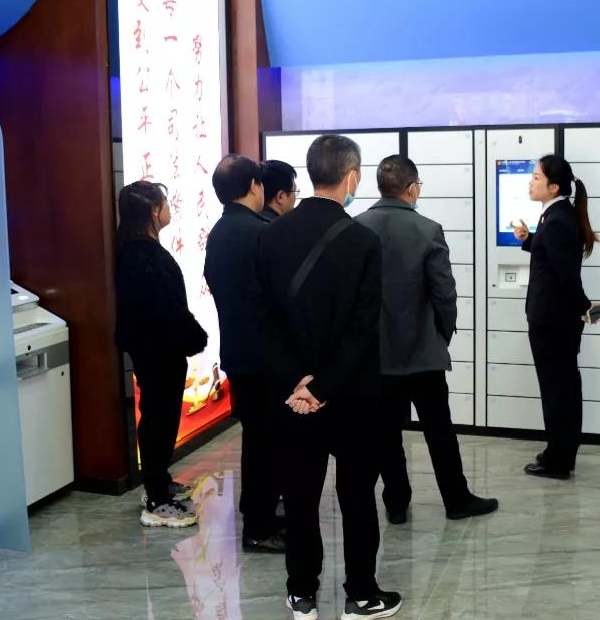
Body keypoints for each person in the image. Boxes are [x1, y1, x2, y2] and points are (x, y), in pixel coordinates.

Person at [257, 135, 402, 620]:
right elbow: (363, 328)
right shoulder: (363, 241)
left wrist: (297, 383)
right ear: (351, 176)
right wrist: (323, 386)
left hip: (291, 397)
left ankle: (301, 594)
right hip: (352, 394)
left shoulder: (271, 235)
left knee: (300, 495)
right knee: (357, 494)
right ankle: (361, 595)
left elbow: (263, 321)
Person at [357, 155, 498, 524]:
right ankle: (456, 499)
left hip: (377, 356)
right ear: (412, 188)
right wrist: (441, 335)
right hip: (424, 353)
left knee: (386, 432)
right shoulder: (428, 229)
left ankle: (396, 502)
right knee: (439, 430)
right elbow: (444, 293)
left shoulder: (356, 228)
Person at [204, 155, 286, 554]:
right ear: (255, 185)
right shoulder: (261, 233)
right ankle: (259, 525)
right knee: (267, 442)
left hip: (237, 350)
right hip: (267, 355)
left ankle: (257, 510)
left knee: (256, 438)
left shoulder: (219, 233)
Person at [114, 180, 208, 527]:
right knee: (159, 418)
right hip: (158, 348)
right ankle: (156, 498)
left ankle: (160, 480)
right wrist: (194, 336)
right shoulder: (143, 255)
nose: (169, 208)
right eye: (165, 203)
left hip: (156, 347)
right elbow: (165, 308)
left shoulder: (135, 249)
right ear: (154, 211)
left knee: (161, 416)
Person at [512, 155, 600, 480]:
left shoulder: (558, 220)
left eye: (536, 177)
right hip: (556, 320)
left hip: (552, 322)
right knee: (563, 388)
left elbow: (566, 277)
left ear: (553, 186)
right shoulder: (558, 214)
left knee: (556, 392)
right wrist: (529, 241)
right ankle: (561, 453)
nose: (530, 182)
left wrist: (588, 308)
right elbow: (553, 256)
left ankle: (558, 461)